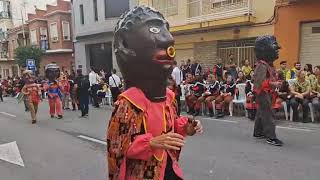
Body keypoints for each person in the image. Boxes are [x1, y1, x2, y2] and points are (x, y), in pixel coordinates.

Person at [107, 6, 203, 180]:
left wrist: (186, 127)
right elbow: (117, 148)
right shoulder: (127, 104)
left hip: (167, 170)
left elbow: (171, 125)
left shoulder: (169, 97)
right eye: (154, 29)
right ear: (124, 44)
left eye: (166, 29)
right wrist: (151, 143)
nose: (168, 38)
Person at [253, 35, 283, 146]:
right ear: (266, 50)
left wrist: (276, 83)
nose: (277, 51)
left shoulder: (269, 65)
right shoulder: (262, 65)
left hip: (267, 92)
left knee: (262, 112)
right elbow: (259, 82)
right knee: (268, 114)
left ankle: (258, 132)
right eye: (275, 49)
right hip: (262, 93)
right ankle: (271, 137)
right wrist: (274, 83)